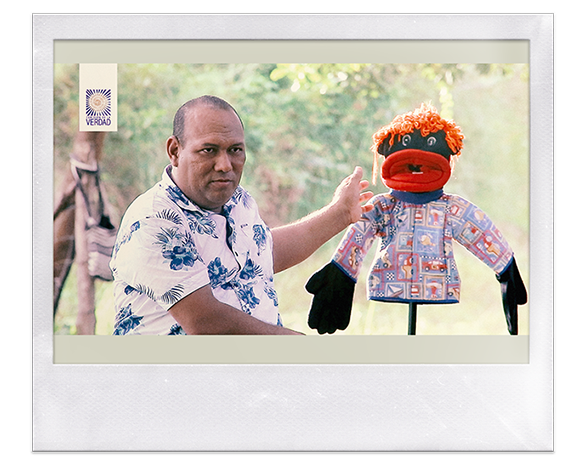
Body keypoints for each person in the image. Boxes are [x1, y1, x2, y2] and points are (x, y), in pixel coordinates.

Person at [110, 95, 373, 335]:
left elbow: (263, 254)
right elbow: (205, 322)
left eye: (235, 150)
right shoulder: (154, 219)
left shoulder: (238, 200)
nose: (225, 165)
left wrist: (339, 213)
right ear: (175, 151)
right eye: (208, 150)